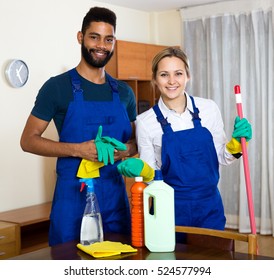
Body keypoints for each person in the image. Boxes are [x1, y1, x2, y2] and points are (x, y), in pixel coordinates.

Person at [20, 7, 137, 246]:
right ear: (80, 37)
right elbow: (28, 140)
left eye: (108, 39)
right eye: (94, 37)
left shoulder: (124, 92)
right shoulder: (56, 88)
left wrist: (123, 150)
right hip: (72, 198)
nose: (101, 45)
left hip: (115, 197)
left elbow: (135, 143)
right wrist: (78, 150)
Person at [118, 47, 252, 233]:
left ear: (187, 76)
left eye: (178, 73)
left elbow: (222, 156)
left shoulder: (209, 109)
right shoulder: (145, 122)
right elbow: (151, 177)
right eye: (164, 75)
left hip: (209, 207)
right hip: (169, 210)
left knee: (214, 259)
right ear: (155, 79)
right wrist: (145, 171)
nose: (172, 81)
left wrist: (236, 143)